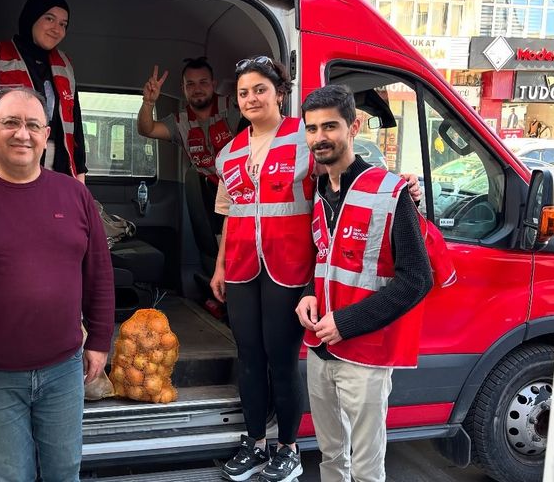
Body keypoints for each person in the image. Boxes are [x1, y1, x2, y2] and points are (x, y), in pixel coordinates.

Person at [0, 87, 114, 482]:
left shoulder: (75, 195)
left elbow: (99, 272)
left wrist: (99, 340)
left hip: (64, 371)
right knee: (13, 476)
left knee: (65, 472)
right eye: (11, 122)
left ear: (47, 135)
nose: (22, 134)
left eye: (32, 125)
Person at [295, 84, 437, 482]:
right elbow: (324, 260)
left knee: (367, 467)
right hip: (321, 348)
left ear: (354, 127)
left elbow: (417, 279)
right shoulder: (319, 190)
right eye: (312, 129)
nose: (319, 137)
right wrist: (308, 296)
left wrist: (346, 322)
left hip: (366, 355)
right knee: (330, 457)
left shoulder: (391, 191)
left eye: (330, 127)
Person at [210, 56, 311, 482]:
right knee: (248, 358)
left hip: (289, 267)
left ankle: (288, 448)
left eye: (260, 89)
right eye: (244, 92)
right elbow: (229, 214)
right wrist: (218, 268)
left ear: (279, 93)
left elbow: (340, 184)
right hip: (240, 268)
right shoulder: (229, 153)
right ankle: (254, 443)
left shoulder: (306, 138)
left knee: (282, 359)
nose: (251, 98)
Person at [0, 0, 88, 183]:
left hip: (58, 172)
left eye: (63, 24)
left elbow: (76, 130)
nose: (57, 29)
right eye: (49, 19)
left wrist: (80, 184)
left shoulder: (65, 65)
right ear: (32, 17)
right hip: (8, 168)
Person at [138, 57, 242, 185]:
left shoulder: (232, 107)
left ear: (213, 85)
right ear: (183, 89)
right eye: (191, 84)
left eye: (203, 82)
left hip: (245, 187)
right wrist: (148, 102)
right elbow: (147, 130)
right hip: (212, 192)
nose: (197, 89)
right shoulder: (180, 122)